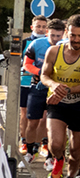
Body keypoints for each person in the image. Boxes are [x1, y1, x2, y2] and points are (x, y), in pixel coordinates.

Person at [39, 15, 80, 178]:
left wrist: (67, 90)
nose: (76, 40)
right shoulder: (54, 51)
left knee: (76, 151)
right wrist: (54, 85)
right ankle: (58, 161)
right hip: (57, 103)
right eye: (72, 35)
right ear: (66, 32)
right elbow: (44, 75)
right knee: (55, 143)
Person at [23, 18, 64, 165]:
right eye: (52, 35)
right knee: (32, 121)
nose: (55, 39)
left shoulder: (66, 46)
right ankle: (29, 151)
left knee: (50, 122)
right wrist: (41, 73)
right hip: (37, 87)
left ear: (63, 34)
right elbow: (27, 64)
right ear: (47, 32)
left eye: (58, 36)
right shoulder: (36, 44)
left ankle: (50, 156)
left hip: (57, 89)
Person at [19, 15, 48, 155]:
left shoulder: (50, 42)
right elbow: (20, 61)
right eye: (38, 26)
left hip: (43, 84)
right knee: (25, 114)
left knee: (44, 116)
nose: (41, 29)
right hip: (25, 83)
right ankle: (25, 141)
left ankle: (40, 143)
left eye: (43, 26)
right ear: (32, 27)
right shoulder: (25, 42)